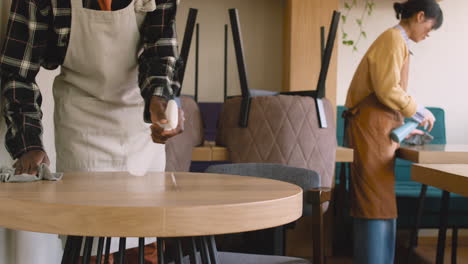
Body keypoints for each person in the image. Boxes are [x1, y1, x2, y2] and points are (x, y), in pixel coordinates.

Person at [0, 0, 184, 263]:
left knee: (143, 246)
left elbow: (160, 52)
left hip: (139, 128)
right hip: (81, 127)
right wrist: (28, 143)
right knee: (87, 246)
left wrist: (160, 99)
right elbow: (17, 72)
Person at [343, 0, 443, 263]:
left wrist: (402, 126)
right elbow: (386, 89)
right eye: (430, 27)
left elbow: (385, 92)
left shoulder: (398, 41)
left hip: (379, 128)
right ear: (421, 16)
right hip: (371, 127)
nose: (428, 34)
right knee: (373, 201)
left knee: (379, 201)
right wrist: (418, 110)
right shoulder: (392, 39)